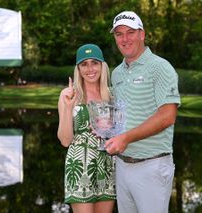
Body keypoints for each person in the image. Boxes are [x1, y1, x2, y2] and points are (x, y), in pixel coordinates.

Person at [105, 11, 181, 213]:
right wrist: (108, 129)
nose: (124, 38)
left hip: (152, 166)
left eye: (130, 32)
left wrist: (127, 137)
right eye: (119, 34)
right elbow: (124, 115)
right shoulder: (117, 73)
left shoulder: (160, 67)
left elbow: (168, 116)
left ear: (142, 34)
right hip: (122, 165)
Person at [57, 44, 116, 213]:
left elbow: (121, 132)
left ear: (102, 66)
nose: (90, 69)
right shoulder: (69, 95)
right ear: (78, 69)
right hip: (80, 166)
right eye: (84, 64)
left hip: (107, 165)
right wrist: (68, 107)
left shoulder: (112, 95)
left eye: (94, 63)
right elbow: (65, 140)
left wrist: (109, 129)